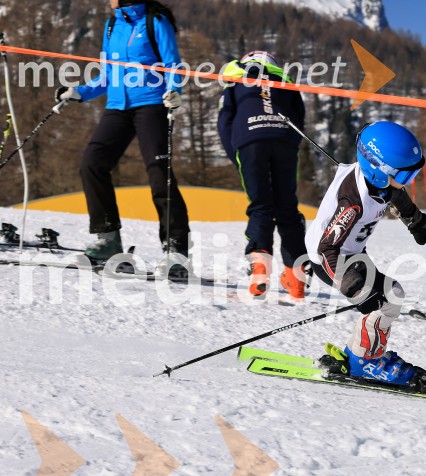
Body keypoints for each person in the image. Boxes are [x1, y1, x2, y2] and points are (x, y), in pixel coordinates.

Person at [56, 0, 189, 276]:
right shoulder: (112, 24)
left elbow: (172, 63)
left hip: (152, 103)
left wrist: (174, 91)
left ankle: (175, 251)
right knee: (92, 164)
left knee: (158, 173)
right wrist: (81, 92)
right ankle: (108, 240)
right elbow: (107, 74)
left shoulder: (154, 22)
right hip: (118, 106)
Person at [304, 121, 426, 388]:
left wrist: (415, 220)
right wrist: (355, 288)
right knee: (388, 298)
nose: (405, 183)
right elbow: (326, 249)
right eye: (403, 176)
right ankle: (365, 362)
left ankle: (359, 356)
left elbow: (395, 194)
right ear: (377, 169)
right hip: (333, 259)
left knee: (388, 297)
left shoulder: (380, 182)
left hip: (351, 251)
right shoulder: (353, 203)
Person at [218, 50, 308, 300]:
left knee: (261, 206)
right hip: (284, 140)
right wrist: (291, 143)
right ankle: (296, 277)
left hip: (250, 142)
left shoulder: (235, 81)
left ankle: (259, 270)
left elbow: (225, 121)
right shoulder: (285, 81)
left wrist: (237, 155)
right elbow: (299, 116)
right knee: (288, 207)